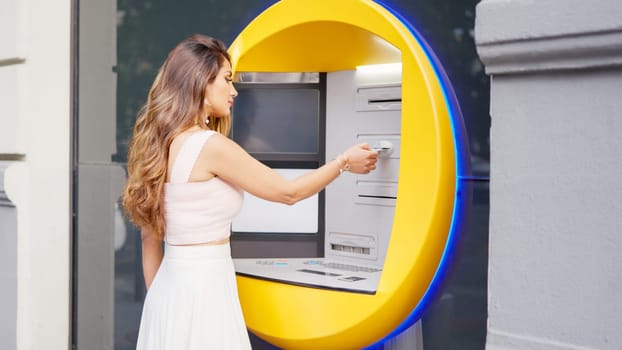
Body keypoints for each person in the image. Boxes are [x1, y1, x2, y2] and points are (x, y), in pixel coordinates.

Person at [122, 34, 378, 349]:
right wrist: (343, 162)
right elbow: (289, 193)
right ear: (201, 84)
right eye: (226, 80)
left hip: (167, 295)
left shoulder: (160, 147)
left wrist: (162, 306)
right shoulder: (209, 145)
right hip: (206, 293)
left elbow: (150, 241)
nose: (234, 91)